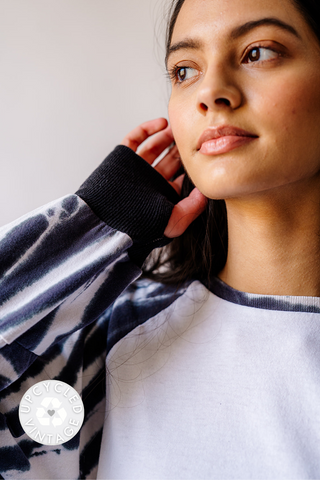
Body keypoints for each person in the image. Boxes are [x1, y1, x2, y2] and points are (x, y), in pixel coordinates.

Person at [1, 0, 320, 478]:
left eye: (258, 52)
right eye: (185, 70)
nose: (210, 92)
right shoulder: (115, 337)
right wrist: (98, 223)